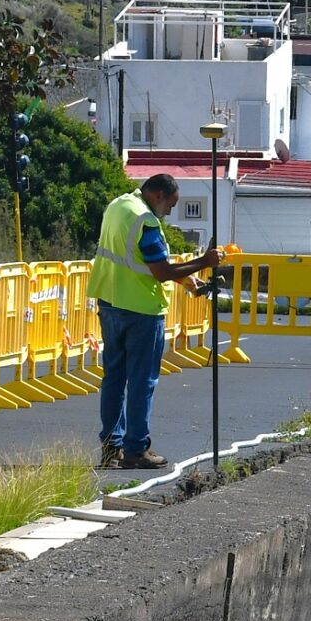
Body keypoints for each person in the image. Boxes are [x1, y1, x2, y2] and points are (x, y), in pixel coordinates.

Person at [89, 174, 219, 468]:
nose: (171, 211)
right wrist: (205, 262)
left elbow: (136, 261)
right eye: (171, 204)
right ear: (159, 194)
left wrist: (188, 279)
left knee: (113, 378)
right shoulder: (146, 221)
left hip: (110, 301)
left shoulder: (119, 206)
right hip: (141, 310)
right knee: (141, 382)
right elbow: (160, 271)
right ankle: (137, 449)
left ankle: (111, 448)